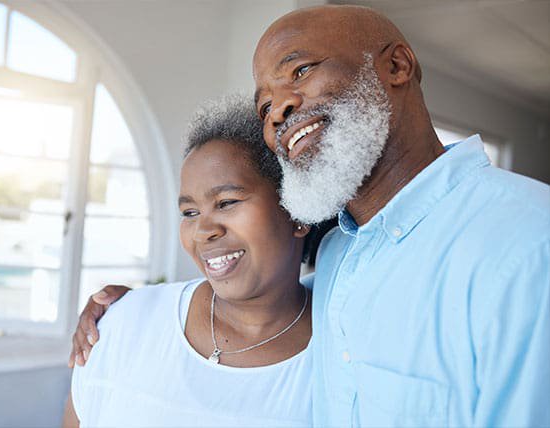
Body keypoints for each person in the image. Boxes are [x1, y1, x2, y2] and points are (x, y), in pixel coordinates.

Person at [71, 5, 550, 426]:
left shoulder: (528, 242)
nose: (278, 110)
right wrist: (136, 313)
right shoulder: (342, 254)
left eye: (299, 71)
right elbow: (264, 295)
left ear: (396, 65)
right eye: (264, 105)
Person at [64, 95, 316, 427]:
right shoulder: (123, 324)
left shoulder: (340, 352)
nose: (203, 231)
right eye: (190, 212)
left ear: (297, 211)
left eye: (226, 202)